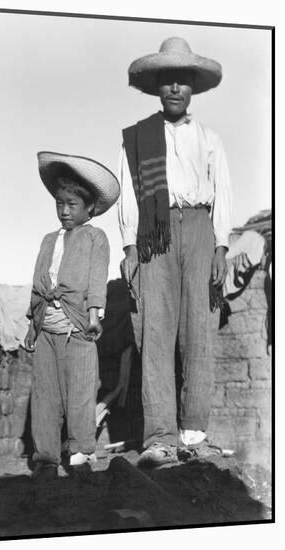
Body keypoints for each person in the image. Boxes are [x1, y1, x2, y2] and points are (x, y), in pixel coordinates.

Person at [118, 37, 233, 466]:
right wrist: (131, 246)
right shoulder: (138, 138)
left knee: (199, 331)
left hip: (201, 228)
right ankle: (160, 436)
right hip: (155, 231)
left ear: (192, 88)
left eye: (182, 80)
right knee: (157, 332)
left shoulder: (210, 139)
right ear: (157, 87)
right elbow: (130, 195)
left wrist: (221, 246)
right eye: (167, 80)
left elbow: (223, 193)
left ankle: (194, 433)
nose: (174, 89)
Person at [24, 151, 120, 480]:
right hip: (46, 329)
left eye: (72, 205)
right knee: (46, 395)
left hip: (77, 328)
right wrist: (32, 324)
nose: (64, 211)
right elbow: (38, 283)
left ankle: (80, 452)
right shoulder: (48, 240)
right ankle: (47, 457)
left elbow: (96, 281)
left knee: (80, 393)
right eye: (59, 203)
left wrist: (94, 316)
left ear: (89, 208)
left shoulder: (96, 237)